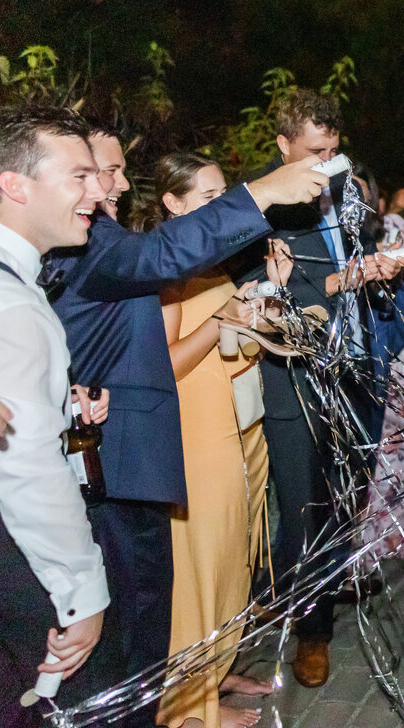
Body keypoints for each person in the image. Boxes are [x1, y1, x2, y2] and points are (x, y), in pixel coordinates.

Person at [45, 120, 324, 726]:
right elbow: (164, 265)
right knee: (137, 621)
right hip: (128, 456)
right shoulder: (99, 248)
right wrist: (265, 192)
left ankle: (195, 689)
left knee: (176, 599)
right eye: (100, 171)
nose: (115, 185)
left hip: (151, 449)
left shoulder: (104, 240)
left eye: (117, 170)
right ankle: (175, 707)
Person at [231, 88, 404, 688]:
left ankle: (316, 601)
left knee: (348, 505)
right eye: (315, 152)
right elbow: (261, 291)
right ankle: (307, 632)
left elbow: (358, 253)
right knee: (303, 509)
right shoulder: (256, 205)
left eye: (335, 150)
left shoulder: (346, 189)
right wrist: (349, 277)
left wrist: (381, 264)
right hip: (295, 377)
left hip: (361, 371)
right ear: (284, 145)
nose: (328, 164)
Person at [119, 154, 282, 728]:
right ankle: (188, 708)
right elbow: (162, 363)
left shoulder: (211, 268)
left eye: (224, 194)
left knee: (231, 558)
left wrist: (265, 302)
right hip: (192, 434)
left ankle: (215, 672)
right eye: (209, 196)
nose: (222, 207)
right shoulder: (166, 272)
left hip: (235, 427)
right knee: (201, 566)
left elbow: (235, 347)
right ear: (174, 205)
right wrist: (222, 323)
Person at [0, 105, 110, 727]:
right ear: (14, 184)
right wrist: (82, 592)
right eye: (79, 176)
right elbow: (26, 472)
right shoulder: (8, 305)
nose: (100, 189)